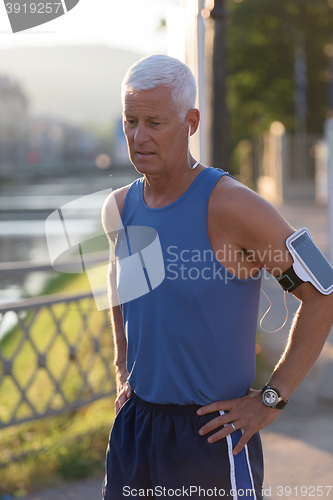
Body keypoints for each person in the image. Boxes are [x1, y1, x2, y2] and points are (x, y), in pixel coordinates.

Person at [101, 55, 333, 500]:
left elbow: (322, 294)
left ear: (191, 122)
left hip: (210, 436)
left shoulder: (234, 207)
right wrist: (121, 368)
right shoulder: (118, 207)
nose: (139, 136)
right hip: (135, 429)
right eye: (131, 121)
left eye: (155, 122)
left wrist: (271, 398)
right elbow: (119, 286)